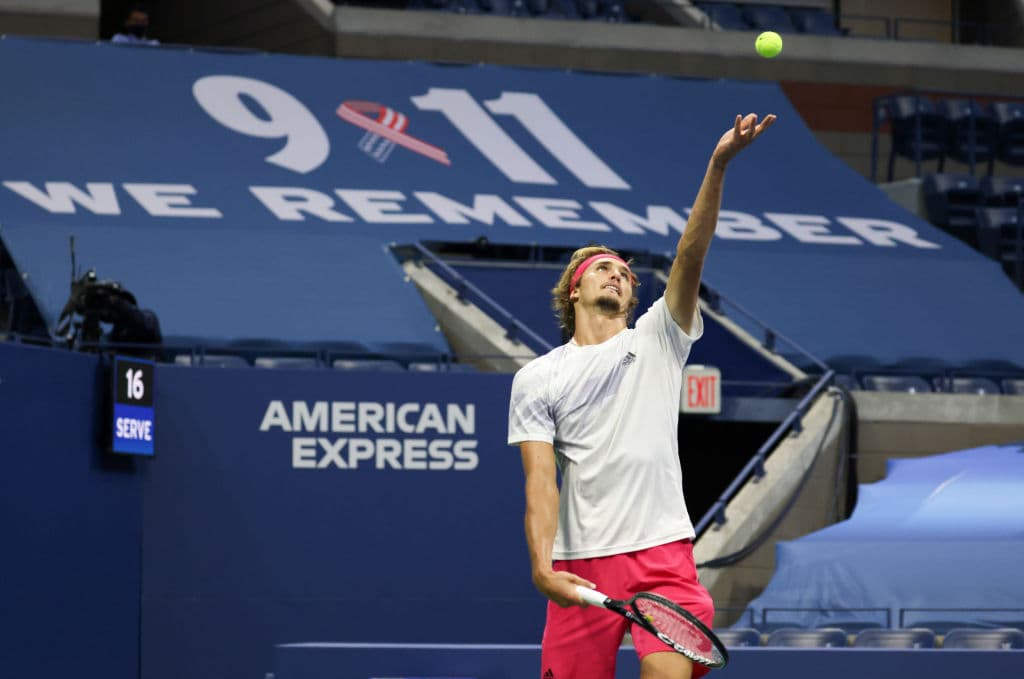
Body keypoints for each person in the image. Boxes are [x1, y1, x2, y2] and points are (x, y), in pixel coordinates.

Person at [507, 112, 776, 679]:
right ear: (573, 288)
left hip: (662, 555)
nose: (617, 276)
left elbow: (689, 256)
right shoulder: (537, 377)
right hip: (580, 562)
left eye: (625, 273)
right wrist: (542, 567)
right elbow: (539, 480)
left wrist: (718, 164)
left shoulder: (658, 338)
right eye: (602, 268)